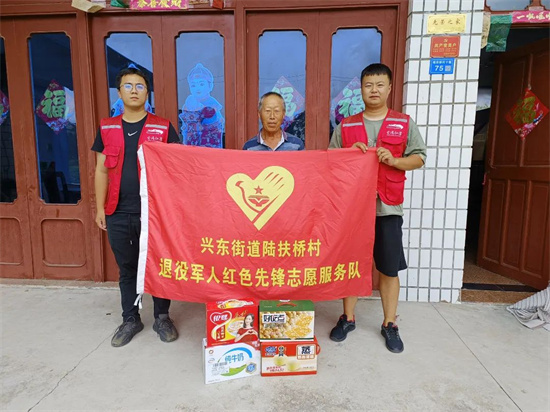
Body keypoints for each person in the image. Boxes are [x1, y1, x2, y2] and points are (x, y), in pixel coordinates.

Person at [328, 63, 427, 353]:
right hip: (353, 211)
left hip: (388, 208)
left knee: (388, 268)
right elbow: (330, 162)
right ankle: (347, 318)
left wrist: (394, 160)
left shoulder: (403, 123)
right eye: (368, 85)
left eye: (380, 85)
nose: (374, 90)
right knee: (349, 266)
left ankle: (389, 324)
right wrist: (349, 154)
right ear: (361, 89)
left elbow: (419, 158)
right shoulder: (346, 126)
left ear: (389, 88)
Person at [91, 67, 181, 347]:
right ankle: (130, 319)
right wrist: (99, 209)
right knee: (127, 268)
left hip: (154, 212)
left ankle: (162, 317)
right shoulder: (106, 127)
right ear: (119, 93)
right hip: (117, 210)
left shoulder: (163, 127)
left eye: (139, 86)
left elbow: (177, 169)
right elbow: (101, 171)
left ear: (147, 92)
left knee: (158, 265)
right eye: (127, 86)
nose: (133, 90)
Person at [179, 63, 225, 148]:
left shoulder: (212, 106)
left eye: (201, 84)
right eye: (193, 85)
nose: (197, 88)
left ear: (210, 86)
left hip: (209, 147)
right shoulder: (189, 102)